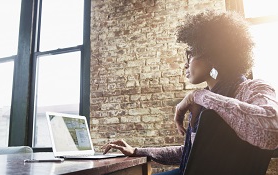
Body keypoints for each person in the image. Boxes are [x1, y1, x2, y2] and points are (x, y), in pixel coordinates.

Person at [101, 10, 278, 175]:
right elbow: (189, 153)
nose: (185, 65)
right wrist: (137, 151)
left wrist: (198, 95)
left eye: (189, 54)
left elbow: (271, 132)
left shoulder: (254, 88)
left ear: (212, 55)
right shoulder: (208, 100)